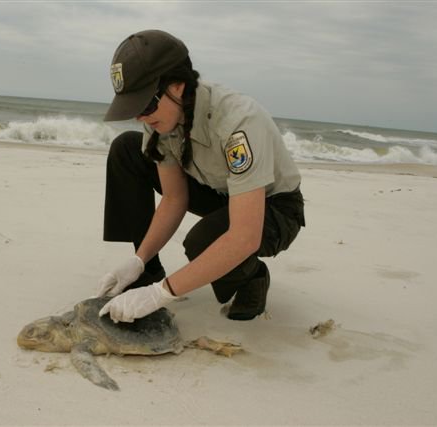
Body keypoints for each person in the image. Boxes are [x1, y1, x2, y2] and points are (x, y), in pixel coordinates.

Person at [97, 29, 305, 323]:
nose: (140, 117)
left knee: (202, 241)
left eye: (145, 104)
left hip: (275, 207)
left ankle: (253, 277)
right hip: (221, 193)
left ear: (178, 85)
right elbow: (174, 198)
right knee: (127, 149)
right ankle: (148, 275)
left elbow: (244, 236)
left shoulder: (238, 121)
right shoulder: (160, 119)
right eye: (134, 108)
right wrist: (139, 260)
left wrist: (162, 294)